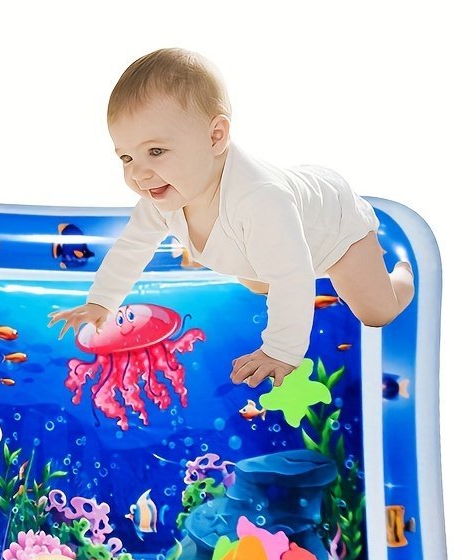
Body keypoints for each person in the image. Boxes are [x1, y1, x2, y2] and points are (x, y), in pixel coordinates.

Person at [47, 48, 415, 388]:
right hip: (269, 242)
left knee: (375, 312)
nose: (138, 174)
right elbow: (133, 246)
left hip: (332, 228)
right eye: (126, 158)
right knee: (258, 281)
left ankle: (400, 278)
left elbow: (293, 276)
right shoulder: (163, 195)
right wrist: (101, 302)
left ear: (215, 137)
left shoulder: (259, 201)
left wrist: (280, 351)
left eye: (155, 151)